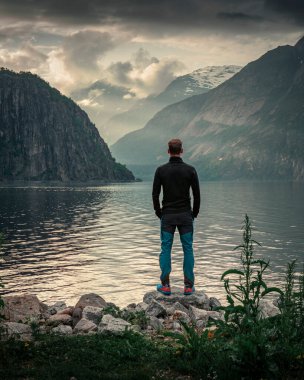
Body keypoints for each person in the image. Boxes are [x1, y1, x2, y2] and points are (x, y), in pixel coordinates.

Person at [152, 138, 200, 296]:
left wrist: (159, 212)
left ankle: (165, 286)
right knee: (188, 249)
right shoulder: (190, 170)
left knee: (166, 249)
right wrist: (194, 213)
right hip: (186, 216)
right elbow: (197, 195)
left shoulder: (161, 170)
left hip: (168, 216)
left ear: (168, 151)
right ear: (182, 151)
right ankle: (188, 286)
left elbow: (155, 194)